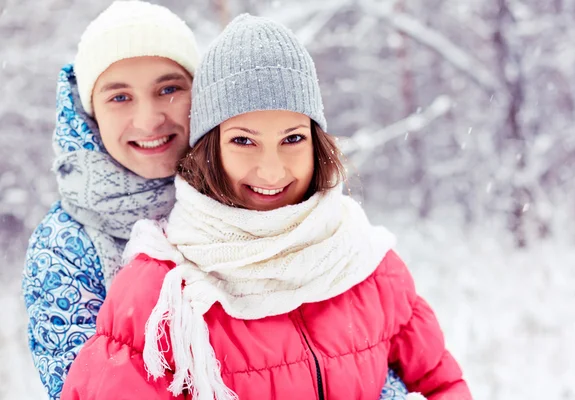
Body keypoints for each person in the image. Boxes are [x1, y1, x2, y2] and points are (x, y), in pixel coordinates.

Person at [61, 14, 471, 400]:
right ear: (209, 149)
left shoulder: (369, 265)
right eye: (243, 141)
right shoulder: (162, 291)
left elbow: (442, 383)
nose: (272, 171)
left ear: (317, 144)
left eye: (292, 139)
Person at [21, 1, 199, 398]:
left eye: (169, 89)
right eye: (120, 97)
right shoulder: (64, 245)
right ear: (91, 114)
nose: (150, 119)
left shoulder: (253, 197)